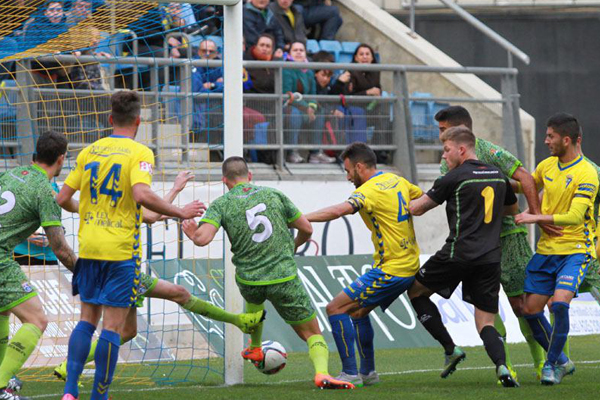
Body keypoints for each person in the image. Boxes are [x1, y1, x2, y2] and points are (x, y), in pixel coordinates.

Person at [56, 90, 205, 400]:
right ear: (139, 121)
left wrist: (91, 210)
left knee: (86, 320)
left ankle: (70, 392)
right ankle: (99, 395)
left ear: (110, 119)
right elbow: (140, 195)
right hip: (121, 252)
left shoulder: (89, 152)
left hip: (89, 249)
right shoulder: (140, 153)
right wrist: (180, 211)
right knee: (112, 328)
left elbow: (62, 199)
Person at [52, 171, 265, 383]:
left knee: (126, 330)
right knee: (178, 293)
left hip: (97, 264)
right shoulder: (122, 204)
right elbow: (153, 215)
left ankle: (68, 368)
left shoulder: (95, 204)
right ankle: (239, 320)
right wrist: (179, 202)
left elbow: (152, 214)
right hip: (119, 269)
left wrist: (176, 194)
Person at [182, 156, 354, 390]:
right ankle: (322, 374)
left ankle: (255, 346)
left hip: (249, 279)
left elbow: (203, 239)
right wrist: (293, 247)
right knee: (313, 334)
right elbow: (307, 228)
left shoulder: (222, 204)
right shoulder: (274, 195)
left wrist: (193, 232)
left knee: (254, 307)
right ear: (249, 176)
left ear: (225, 181)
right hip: (283, 277)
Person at [433, 106, 545, 380]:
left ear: (460, 130)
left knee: (524, 306)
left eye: (442, 129)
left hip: (510, 239)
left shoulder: (490, 152)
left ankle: (546, 362)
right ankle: (506, 368)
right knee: (487, 309)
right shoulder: (445, 161)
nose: (439, 136)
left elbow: (525, 178)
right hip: (478, 246)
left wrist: (535, 215)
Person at [408, 126, 519, 387]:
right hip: (490, 258)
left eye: (446, 150)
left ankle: (450, 349)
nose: (444, 157)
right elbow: (512, 208)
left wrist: (396, 199)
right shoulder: (497, 174)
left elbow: (418, 209)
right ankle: (502, 367)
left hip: (457, 254)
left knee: (415, 291)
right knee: (485, 322)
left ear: (461, 149)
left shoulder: (453, 178)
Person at [305, 142, 422, 387]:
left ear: (359, 166)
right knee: (358, 312)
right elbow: (420, 198)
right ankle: (368, 372)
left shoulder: (367, 191)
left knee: (335, 308)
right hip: (409, 262)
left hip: (391, 268)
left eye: (348, 171)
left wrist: (301, 218)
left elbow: (339, 211)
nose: (348, 177)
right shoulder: (397, 179)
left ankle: (350, 373)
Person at [515, 113, 598, 385]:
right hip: (546, 250)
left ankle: (551, 365)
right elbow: (526, 186)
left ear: (567, 139)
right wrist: (494, 177)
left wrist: (535, 218)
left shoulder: (588, 172)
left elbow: (575, 216)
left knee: (560, 303)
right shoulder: (547, 166)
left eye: (550, 136)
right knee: (529, 310)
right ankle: (562, 359)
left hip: (576, 249)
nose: (546, 140)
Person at [0, 130, 78, 400]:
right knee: (36, 319)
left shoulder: (11, 174)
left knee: (3, 312)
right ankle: (0, 386)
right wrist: (87, 272)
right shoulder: (46, 192)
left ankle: (3, 376)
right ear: (61, 158)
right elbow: (61, 250)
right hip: (0, 256)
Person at [282, 41, 317, 163]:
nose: (298, 52)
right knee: (295, 114)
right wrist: (306, 108)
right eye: (295, 50)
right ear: (290, 53)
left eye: (301, 50)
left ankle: (316, 153)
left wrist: (312, 107)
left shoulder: (309, 71)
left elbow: (313, 94)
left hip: (306, 107)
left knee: (321, 112)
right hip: (288, 106)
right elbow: (287, 94)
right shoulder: (286, 69)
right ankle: (292, 152)